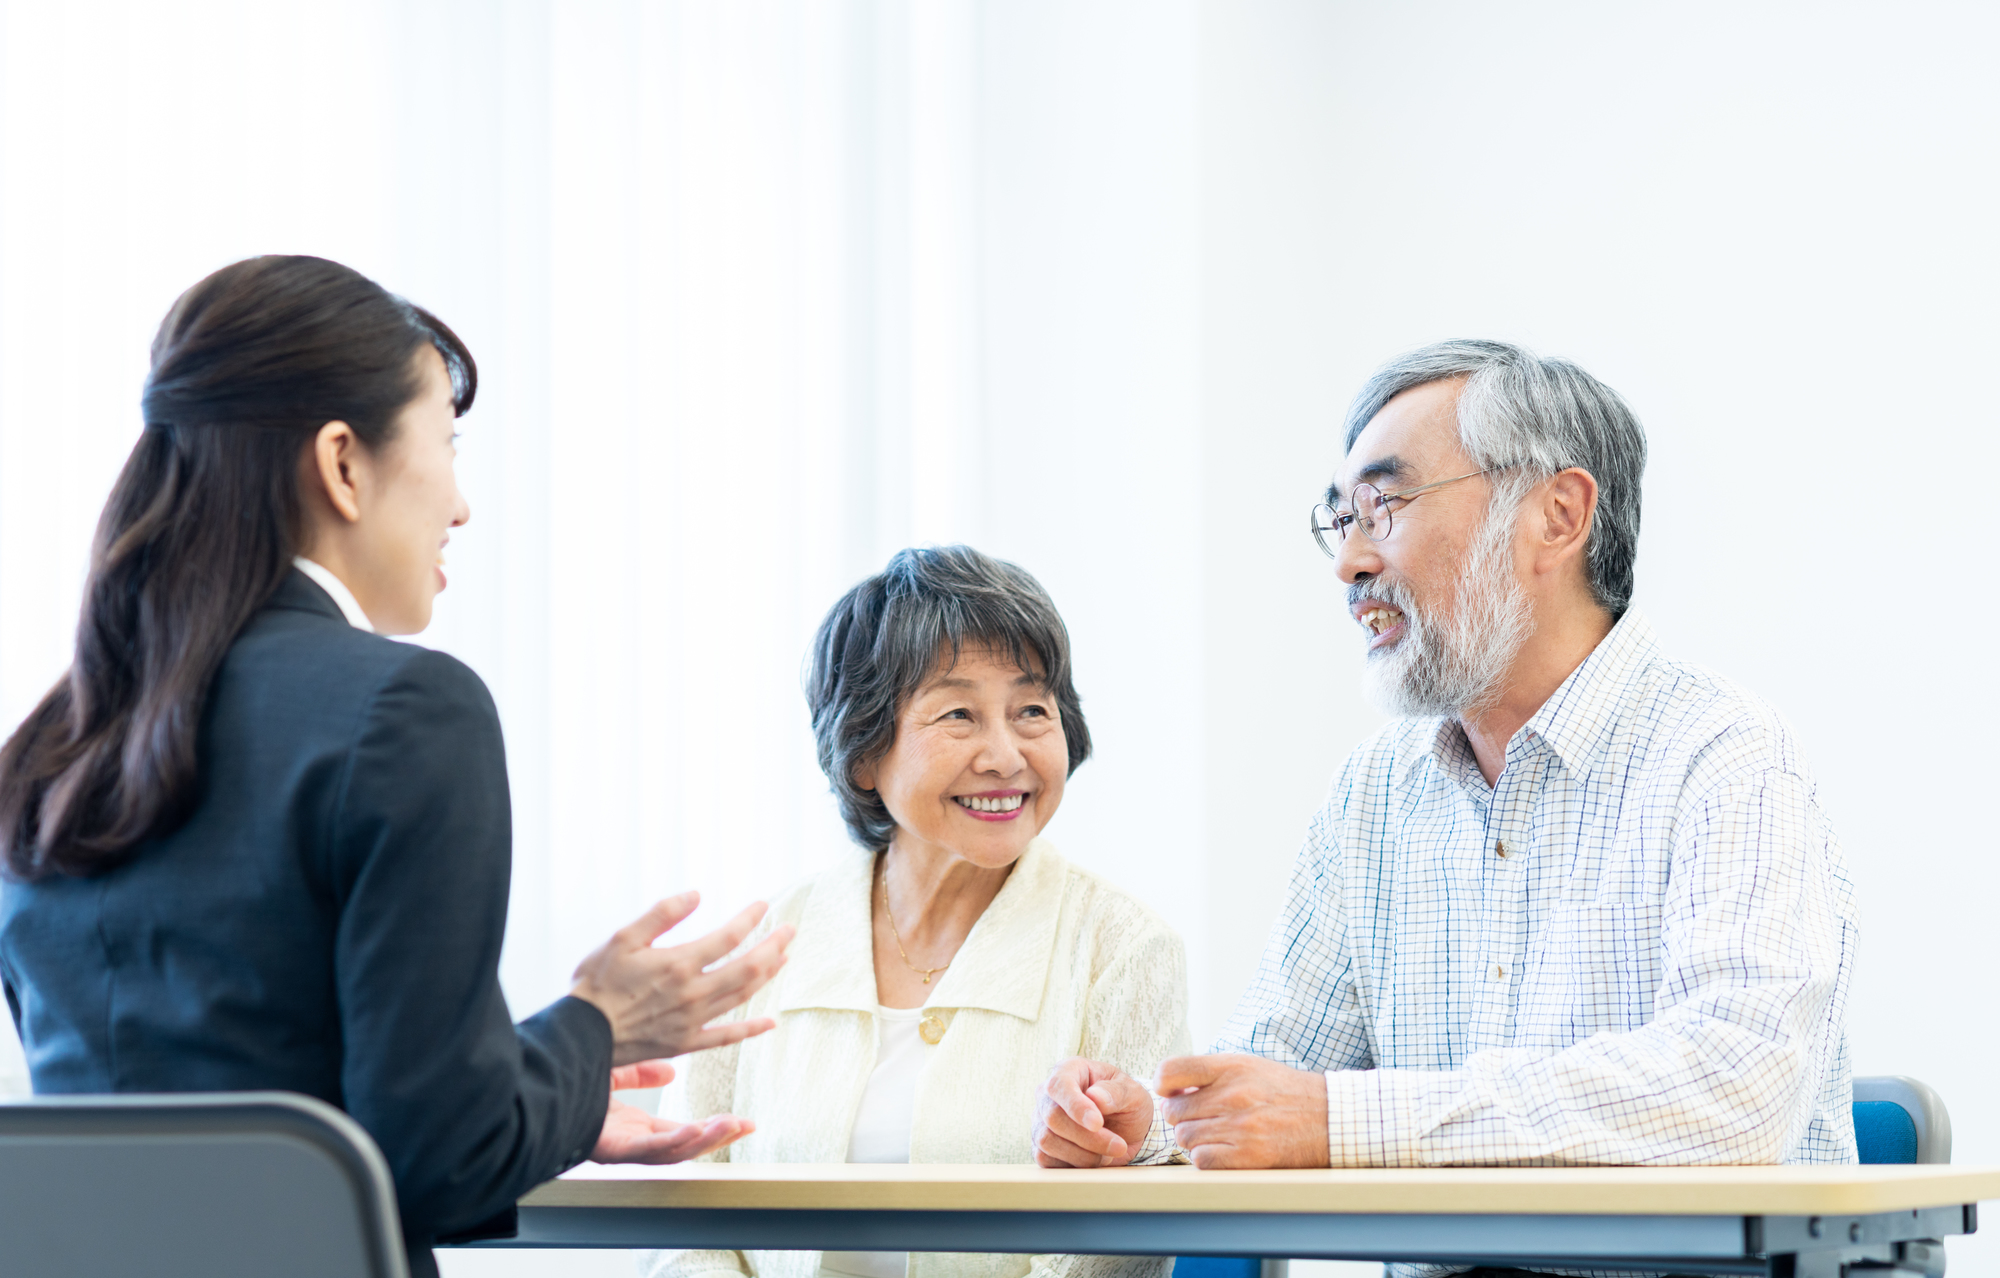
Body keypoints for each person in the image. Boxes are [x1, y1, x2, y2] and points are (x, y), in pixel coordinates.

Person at [0, 256, 794, 1278]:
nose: (459, 505)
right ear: (342, 462)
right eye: (447, 446)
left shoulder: (51, 744)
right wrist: (598, 1026)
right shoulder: (406, 708)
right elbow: (438, 1159)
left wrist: (523, 1089)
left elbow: (226, 1080)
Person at [1031, 341, 1856, 1277]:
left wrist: (1339, 1120)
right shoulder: (1374, 794)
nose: (1348, 561)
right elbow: (1273, 1067)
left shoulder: (1726, 754)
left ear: (1557, 514)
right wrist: (1149, 1123)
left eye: (1385, 504)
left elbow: (1736, 1089)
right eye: (1338, 518)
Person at [642, 546, 1189, 1278]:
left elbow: (1120, 1247)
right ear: (864, 751)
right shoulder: (766, 947)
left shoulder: (1125, 948)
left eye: (1032, 709)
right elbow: (688, 1218)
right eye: (959, 714)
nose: (1005, 755)